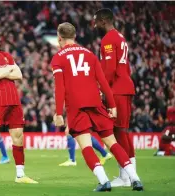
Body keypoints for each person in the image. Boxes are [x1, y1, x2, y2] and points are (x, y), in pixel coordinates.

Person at [51, 22, 143, 191]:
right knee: (112, 143)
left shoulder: (58, 57)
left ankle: (104, 181)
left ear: (59, 37)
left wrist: (58, 113)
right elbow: (103, 83)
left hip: (76, 107)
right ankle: (135, 178)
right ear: (75, 36)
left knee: (86, 145)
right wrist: (112, 105)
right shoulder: (90, 54)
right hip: (96, 103)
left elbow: (60, 88)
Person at [0, 26, 38, 185]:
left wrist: (3, 69)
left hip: (14, 101)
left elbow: (19, 74)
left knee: (18, 137)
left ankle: (20, 175)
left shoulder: (6, 55)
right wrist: (8, 69)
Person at [94, 8, 137, 187]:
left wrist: (102, 90)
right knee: (122, 131)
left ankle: (126, 177)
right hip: (125, 87)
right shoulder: (119, 36)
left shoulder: (108, 39)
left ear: (104, 21)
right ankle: (130, 174)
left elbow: (109, 69)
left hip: (117, 89)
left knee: (118, 132)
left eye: (96, 21)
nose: (95, 25)